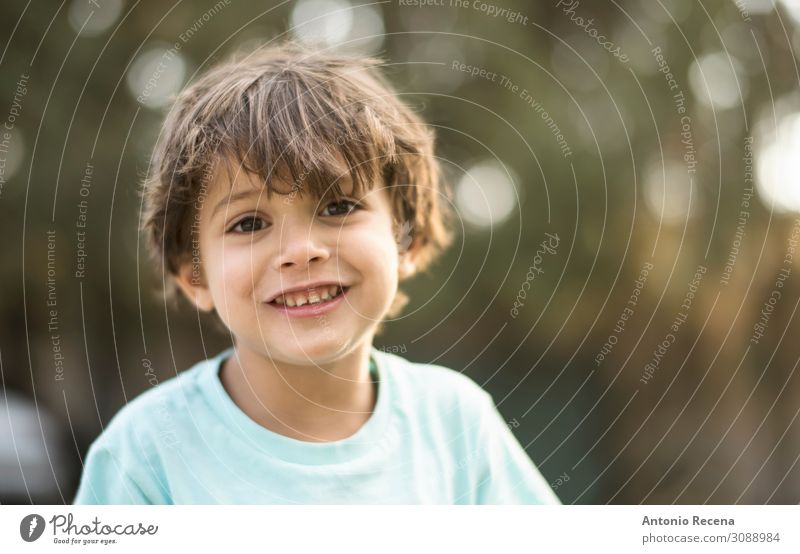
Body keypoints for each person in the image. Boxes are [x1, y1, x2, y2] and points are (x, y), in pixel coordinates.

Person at [73, 42, 560, 504]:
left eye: (339, 206)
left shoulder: (456, 423)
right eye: (249, 223)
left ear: (405, 238)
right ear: (193, 277)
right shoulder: (144, 455)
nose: (301, 251)